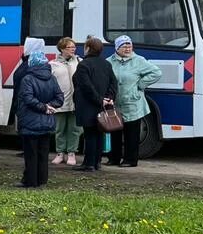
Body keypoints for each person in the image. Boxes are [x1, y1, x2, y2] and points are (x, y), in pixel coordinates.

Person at [107, 35, 163, 167]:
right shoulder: (109, 61)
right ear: (117, 48)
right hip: (115, 102)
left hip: (133, 102)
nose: (127, 49)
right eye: (124, 46)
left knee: (131, 133)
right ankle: (113, 158)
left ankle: (130, 160)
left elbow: (156, 73)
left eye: (129, 46)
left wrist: (141, 84)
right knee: (115, 131)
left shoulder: (139, 60)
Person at [16, 51, 63, 188]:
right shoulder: (52, 78)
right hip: (47, 121)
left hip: (30, 121)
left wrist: (43, 107)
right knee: (43, 153)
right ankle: (42, 180)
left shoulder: (28, 79)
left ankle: (31, 181)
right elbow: (60, 98)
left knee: (31, 154)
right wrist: (49, 107)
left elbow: (28, 99)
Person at [73, 36, 117, 172]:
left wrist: (99, 99)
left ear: (88, 48)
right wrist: (109, 98)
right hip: (102, 105)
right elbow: (113, 83)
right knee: (99, 134)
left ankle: (89, 164)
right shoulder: (106, 64)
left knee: (90, 134)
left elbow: (86, 86)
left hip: (88, 105)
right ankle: (97, 162)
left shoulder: (84, 65)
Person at [50, 37, 82, 166]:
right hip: (60, 102)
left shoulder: (79, 62)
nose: (73, 49)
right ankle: (59, 153)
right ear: (62, 49)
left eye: (74, 47)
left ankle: (71, 153)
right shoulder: (52, 64)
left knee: (75, 129)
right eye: (70, 47)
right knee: (59, 129)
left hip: (75, 103)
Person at [7, 37, 45, 127]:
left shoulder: (24, 68)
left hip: (27, 111)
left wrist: (14, 111)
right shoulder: (44, 67)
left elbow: (18, 93)